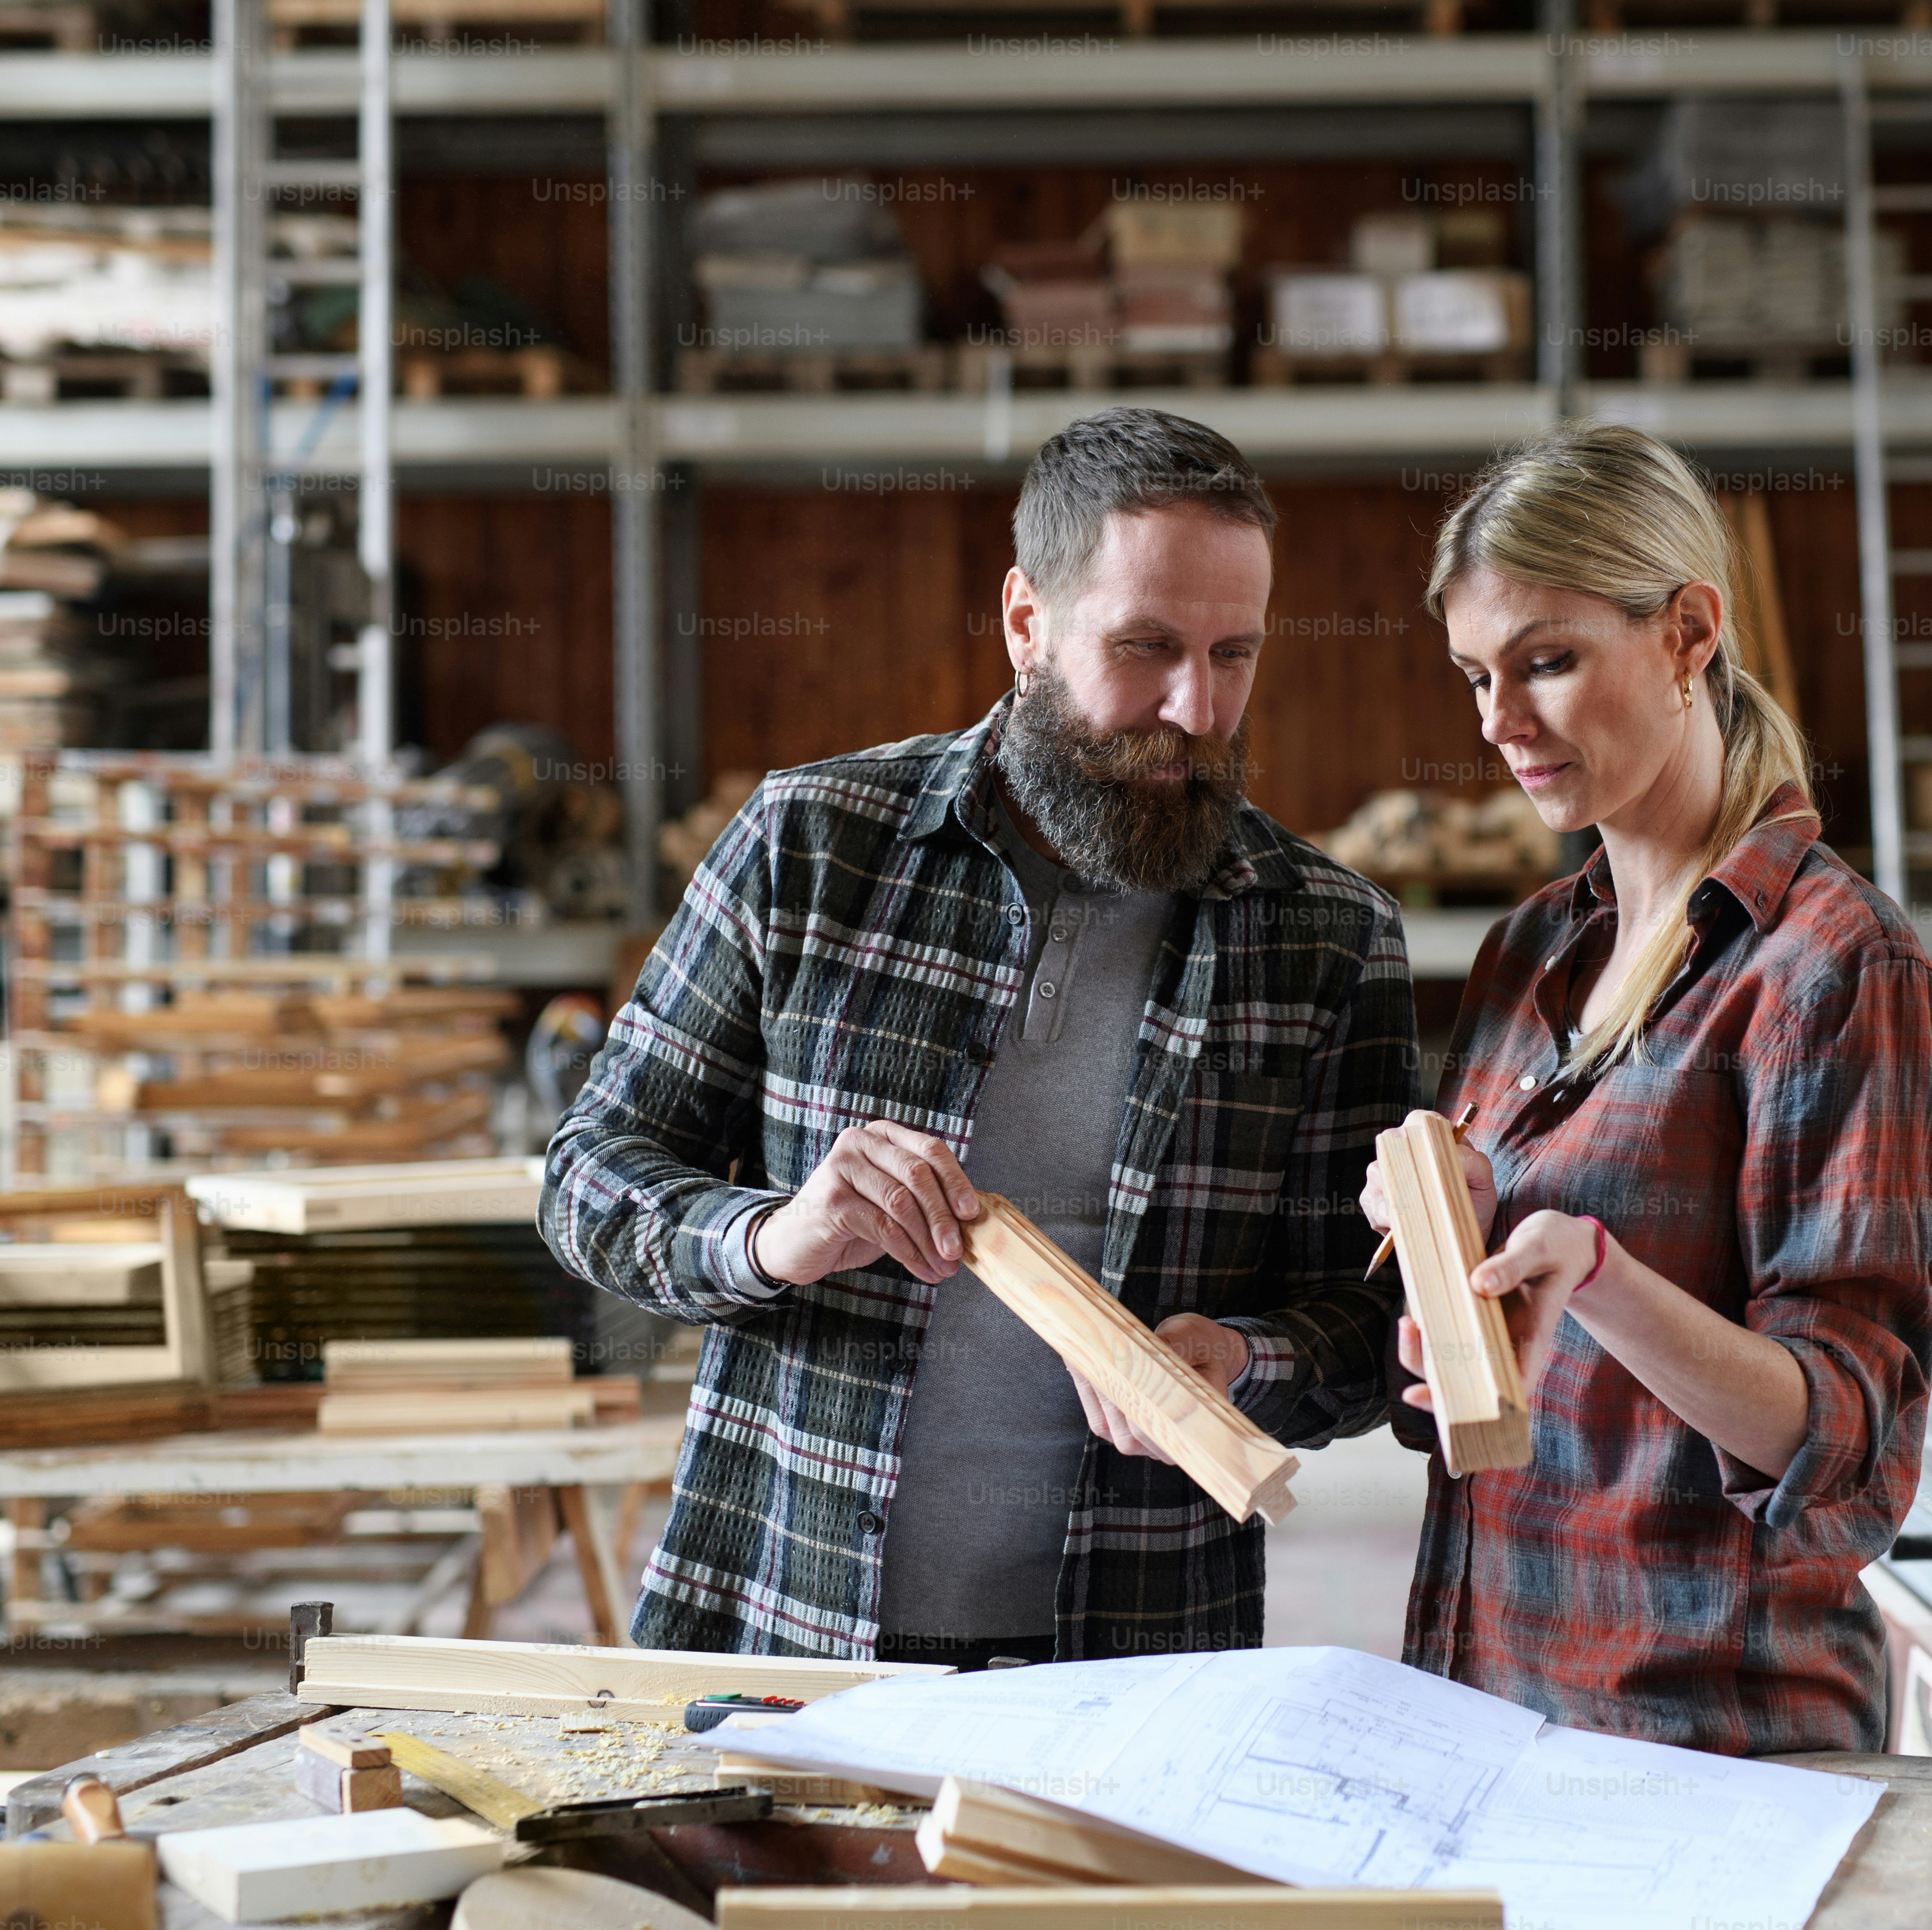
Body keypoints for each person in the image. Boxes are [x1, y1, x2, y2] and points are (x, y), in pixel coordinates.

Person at [543, 406, 1417, 1669]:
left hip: (1138, 1656)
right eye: (1144, 647)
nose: (1194, 708)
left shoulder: (1325, 935)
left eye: (1235, 654)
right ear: (1024, 623)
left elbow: (1371, 1315)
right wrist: (775, 1237)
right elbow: (585, 1181)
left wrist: (1241, 1357)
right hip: (793, 1630)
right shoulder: (811, 845)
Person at [1367, 422, 1932, 1754]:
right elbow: (1495, 1393)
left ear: (1689, 633)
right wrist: (1447, 1226)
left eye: (1549, 663)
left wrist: (1599, 1277)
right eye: (1475, 676)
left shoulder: (1828, 970)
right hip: (1490, 1692)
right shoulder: (1531, 951)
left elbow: (1844, 1450)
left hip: (1705, 1735)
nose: (1499, 723)